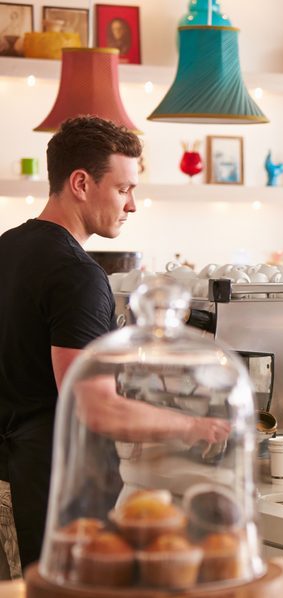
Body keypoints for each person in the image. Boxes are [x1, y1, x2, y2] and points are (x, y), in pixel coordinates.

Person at [0, 116, 228, 570]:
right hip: (46, 498)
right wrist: (192, 427)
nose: (133, 205)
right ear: (81, 183)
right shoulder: (77, 274)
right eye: (124, 189)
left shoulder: (7, 247)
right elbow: (91, 405)